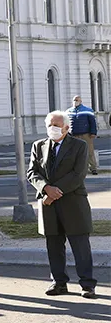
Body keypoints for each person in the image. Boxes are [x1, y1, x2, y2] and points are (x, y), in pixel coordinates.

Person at [27, 111, 97, 299]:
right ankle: (58, 282)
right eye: (50, 125)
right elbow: (32, 172)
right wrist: (45, 189)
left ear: (66, 128)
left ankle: (87, 284)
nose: (53, 129)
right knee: (54, 245)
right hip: (48, 204)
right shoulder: (38, 145)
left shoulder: (79, 146)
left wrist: (54, 192)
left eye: (57, 126)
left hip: (73, 203)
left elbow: (78, 174)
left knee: (80, 246)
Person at [67, 95, 99, 175]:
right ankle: (75, 169)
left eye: (77, 100)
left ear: (80, 101)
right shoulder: (69, 111)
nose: (75, 102)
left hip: (86, 134)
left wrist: (93, 133)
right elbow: (66, 123)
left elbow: (92, 123)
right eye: (74, 100)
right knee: (74, 152)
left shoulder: (87, 110)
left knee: (89, 151)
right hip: (73, 135)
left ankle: (93, 168)